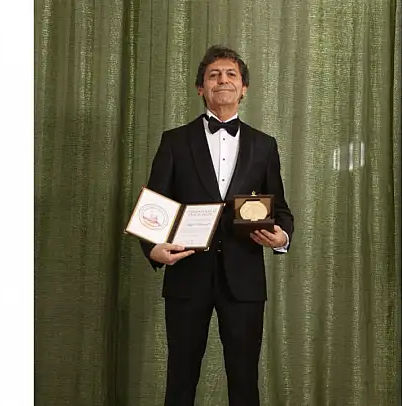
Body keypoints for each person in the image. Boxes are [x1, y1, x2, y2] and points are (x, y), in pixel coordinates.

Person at [140, 45, 294, 406]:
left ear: (244, 88)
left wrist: (281, 237)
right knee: (180, 379)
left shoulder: (264, 145)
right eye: (213, 75)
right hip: (186, 275)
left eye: (231, 75)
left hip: (244, 280)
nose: (222, 80)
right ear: (200, 88)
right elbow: (154, 207)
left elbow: (281, 209)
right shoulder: (174, 141)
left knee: (244, 381)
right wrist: (152, 248)